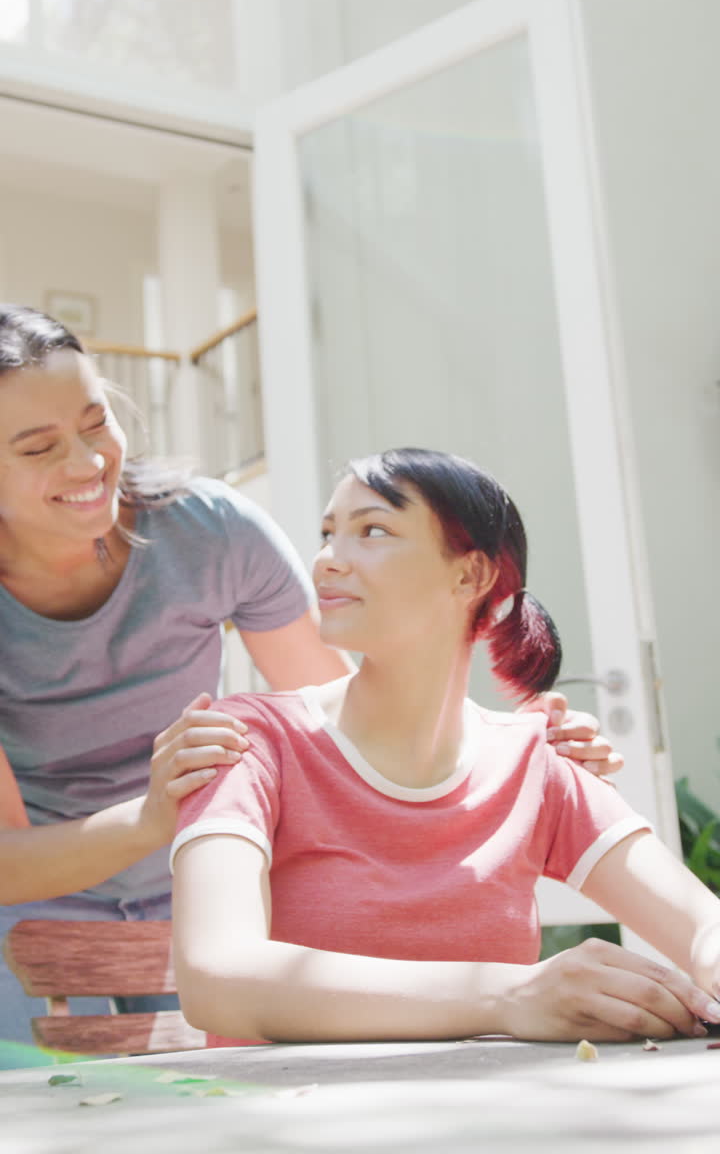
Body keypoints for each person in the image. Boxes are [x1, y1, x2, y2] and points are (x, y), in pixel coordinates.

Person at [0, 306, 616, 1044]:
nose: (86, 462)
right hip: (42, 904)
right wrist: (153, 817)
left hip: (214, 884)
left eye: (96, 422)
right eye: (39, 449)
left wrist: (505, 757)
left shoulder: (211, 532)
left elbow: (344, 734)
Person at [172, 448, 720, 1045]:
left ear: (470, 576)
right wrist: (509, 996)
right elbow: (216, 979)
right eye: (328, 534)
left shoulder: (537, 763)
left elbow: (702, 928)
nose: (327, 560)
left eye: (371, 530)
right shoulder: (247, 741)